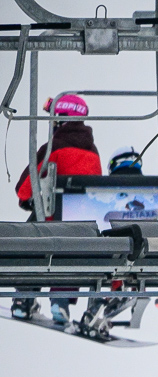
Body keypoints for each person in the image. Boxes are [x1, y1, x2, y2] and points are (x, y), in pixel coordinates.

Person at [12, 94, 101, 325]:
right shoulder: (94, 153)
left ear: (61, 121)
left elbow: (25, 186)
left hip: (50, 223)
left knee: (32, 241)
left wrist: (27, 200)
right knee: (71, 253)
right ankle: (60, 301)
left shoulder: (53, 147)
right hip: (79, 228)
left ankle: (24, 298)